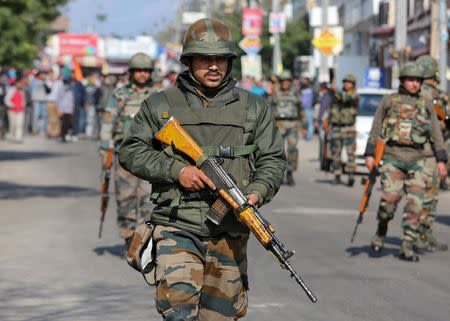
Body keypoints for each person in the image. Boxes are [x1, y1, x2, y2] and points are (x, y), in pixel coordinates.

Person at [118, 18, 286, 321]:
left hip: (230, 232)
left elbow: (273, 159)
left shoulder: (254, 108)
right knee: (179, 314)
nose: (213, 66)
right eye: (205, 59)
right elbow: (130, 151)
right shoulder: (160, 105)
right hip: (176, 226)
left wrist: (257, 191)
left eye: (220, 59)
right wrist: (175, 171)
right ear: (188, 61)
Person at [365, 62, 447, 262]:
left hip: (417, 160)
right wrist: (369, 154)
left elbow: (436, 132)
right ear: (402, 81)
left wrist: (441, 159)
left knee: (415, 205)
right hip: (393, 159)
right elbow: (376, 128)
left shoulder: (427, 102)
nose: (415, 84)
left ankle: (407, 245)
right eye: (411, 80)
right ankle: (381, 230)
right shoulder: (389, 100)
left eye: (418, 81)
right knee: (389, 201)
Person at [99, 52, 157, 251]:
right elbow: (108, 121)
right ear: (131, 73)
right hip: (124, 157)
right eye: (138, 70)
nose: (142, 74)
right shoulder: (120, 95)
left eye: (145, 70)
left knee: (149, 200)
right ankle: (128, 237)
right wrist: (104, 148)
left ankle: (146, 240)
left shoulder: (158, 96)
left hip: (150, 156)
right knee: (124, 199)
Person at [416, 55, 449, 251]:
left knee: (427, 195)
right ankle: (420, 234)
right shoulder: (434, 96)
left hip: (426, 153)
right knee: (427, 195)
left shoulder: (414, 93)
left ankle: (424, 233)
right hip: (430, 153)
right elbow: (443, 122)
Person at [269, 70, 305, 185]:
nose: (285, 83)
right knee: (278, 150)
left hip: (292, 125)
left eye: (287, 81)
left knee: (293, 150)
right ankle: (278, 174)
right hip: (278, 125)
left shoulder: (295, 94)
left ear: (290, 82)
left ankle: (290, 173)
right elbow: (268, 110)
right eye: (283, 81)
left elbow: (301, 110)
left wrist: (304, 125)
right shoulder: (275, 94)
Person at [329, 74, 359, 186]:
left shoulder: (354, 94)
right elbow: (331, 107)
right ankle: (337, 174)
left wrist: (335, 91)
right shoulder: (337, 94)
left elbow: (348, 98)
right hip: (337, 127)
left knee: (351, 152)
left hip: (349, 127)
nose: (347, 84)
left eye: (349, 82)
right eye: (345, 82)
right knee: (335, 152)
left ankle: (351, 174)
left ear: (353, 84)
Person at [5, 76, 26, 142]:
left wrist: (23, 106)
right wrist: (12, 105)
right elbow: (7, 100)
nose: (20, 85)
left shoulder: (22, 91)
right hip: (12, 110)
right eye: (19, 83)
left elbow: (23, 100)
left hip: (20, 110)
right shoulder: (11, 90)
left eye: (21, 84)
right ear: (16, 83)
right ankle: (12, 137)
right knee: (13, 124)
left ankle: (18, 137)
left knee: (19, 124)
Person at [56, 75, 74, 143]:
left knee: (68, 124)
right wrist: (59, 109)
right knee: (63, 124)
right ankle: (62, 136)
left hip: (68, 109)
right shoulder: (61, 90)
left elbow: (71, 100)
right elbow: (58, 100)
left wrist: (72, 108)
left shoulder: (70, 90)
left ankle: (66, 135)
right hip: (62, 110)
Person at [31, 71, 48, 135]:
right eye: (42, 75)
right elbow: (32, 91)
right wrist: (32, 101)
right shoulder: (34, 81)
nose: (43, 76)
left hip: (44, 101)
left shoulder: (47, 81)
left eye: (44, 75)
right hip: (36, 101)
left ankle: (44, 130)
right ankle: (35, 129)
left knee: (44, 116)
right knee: (36, 115)